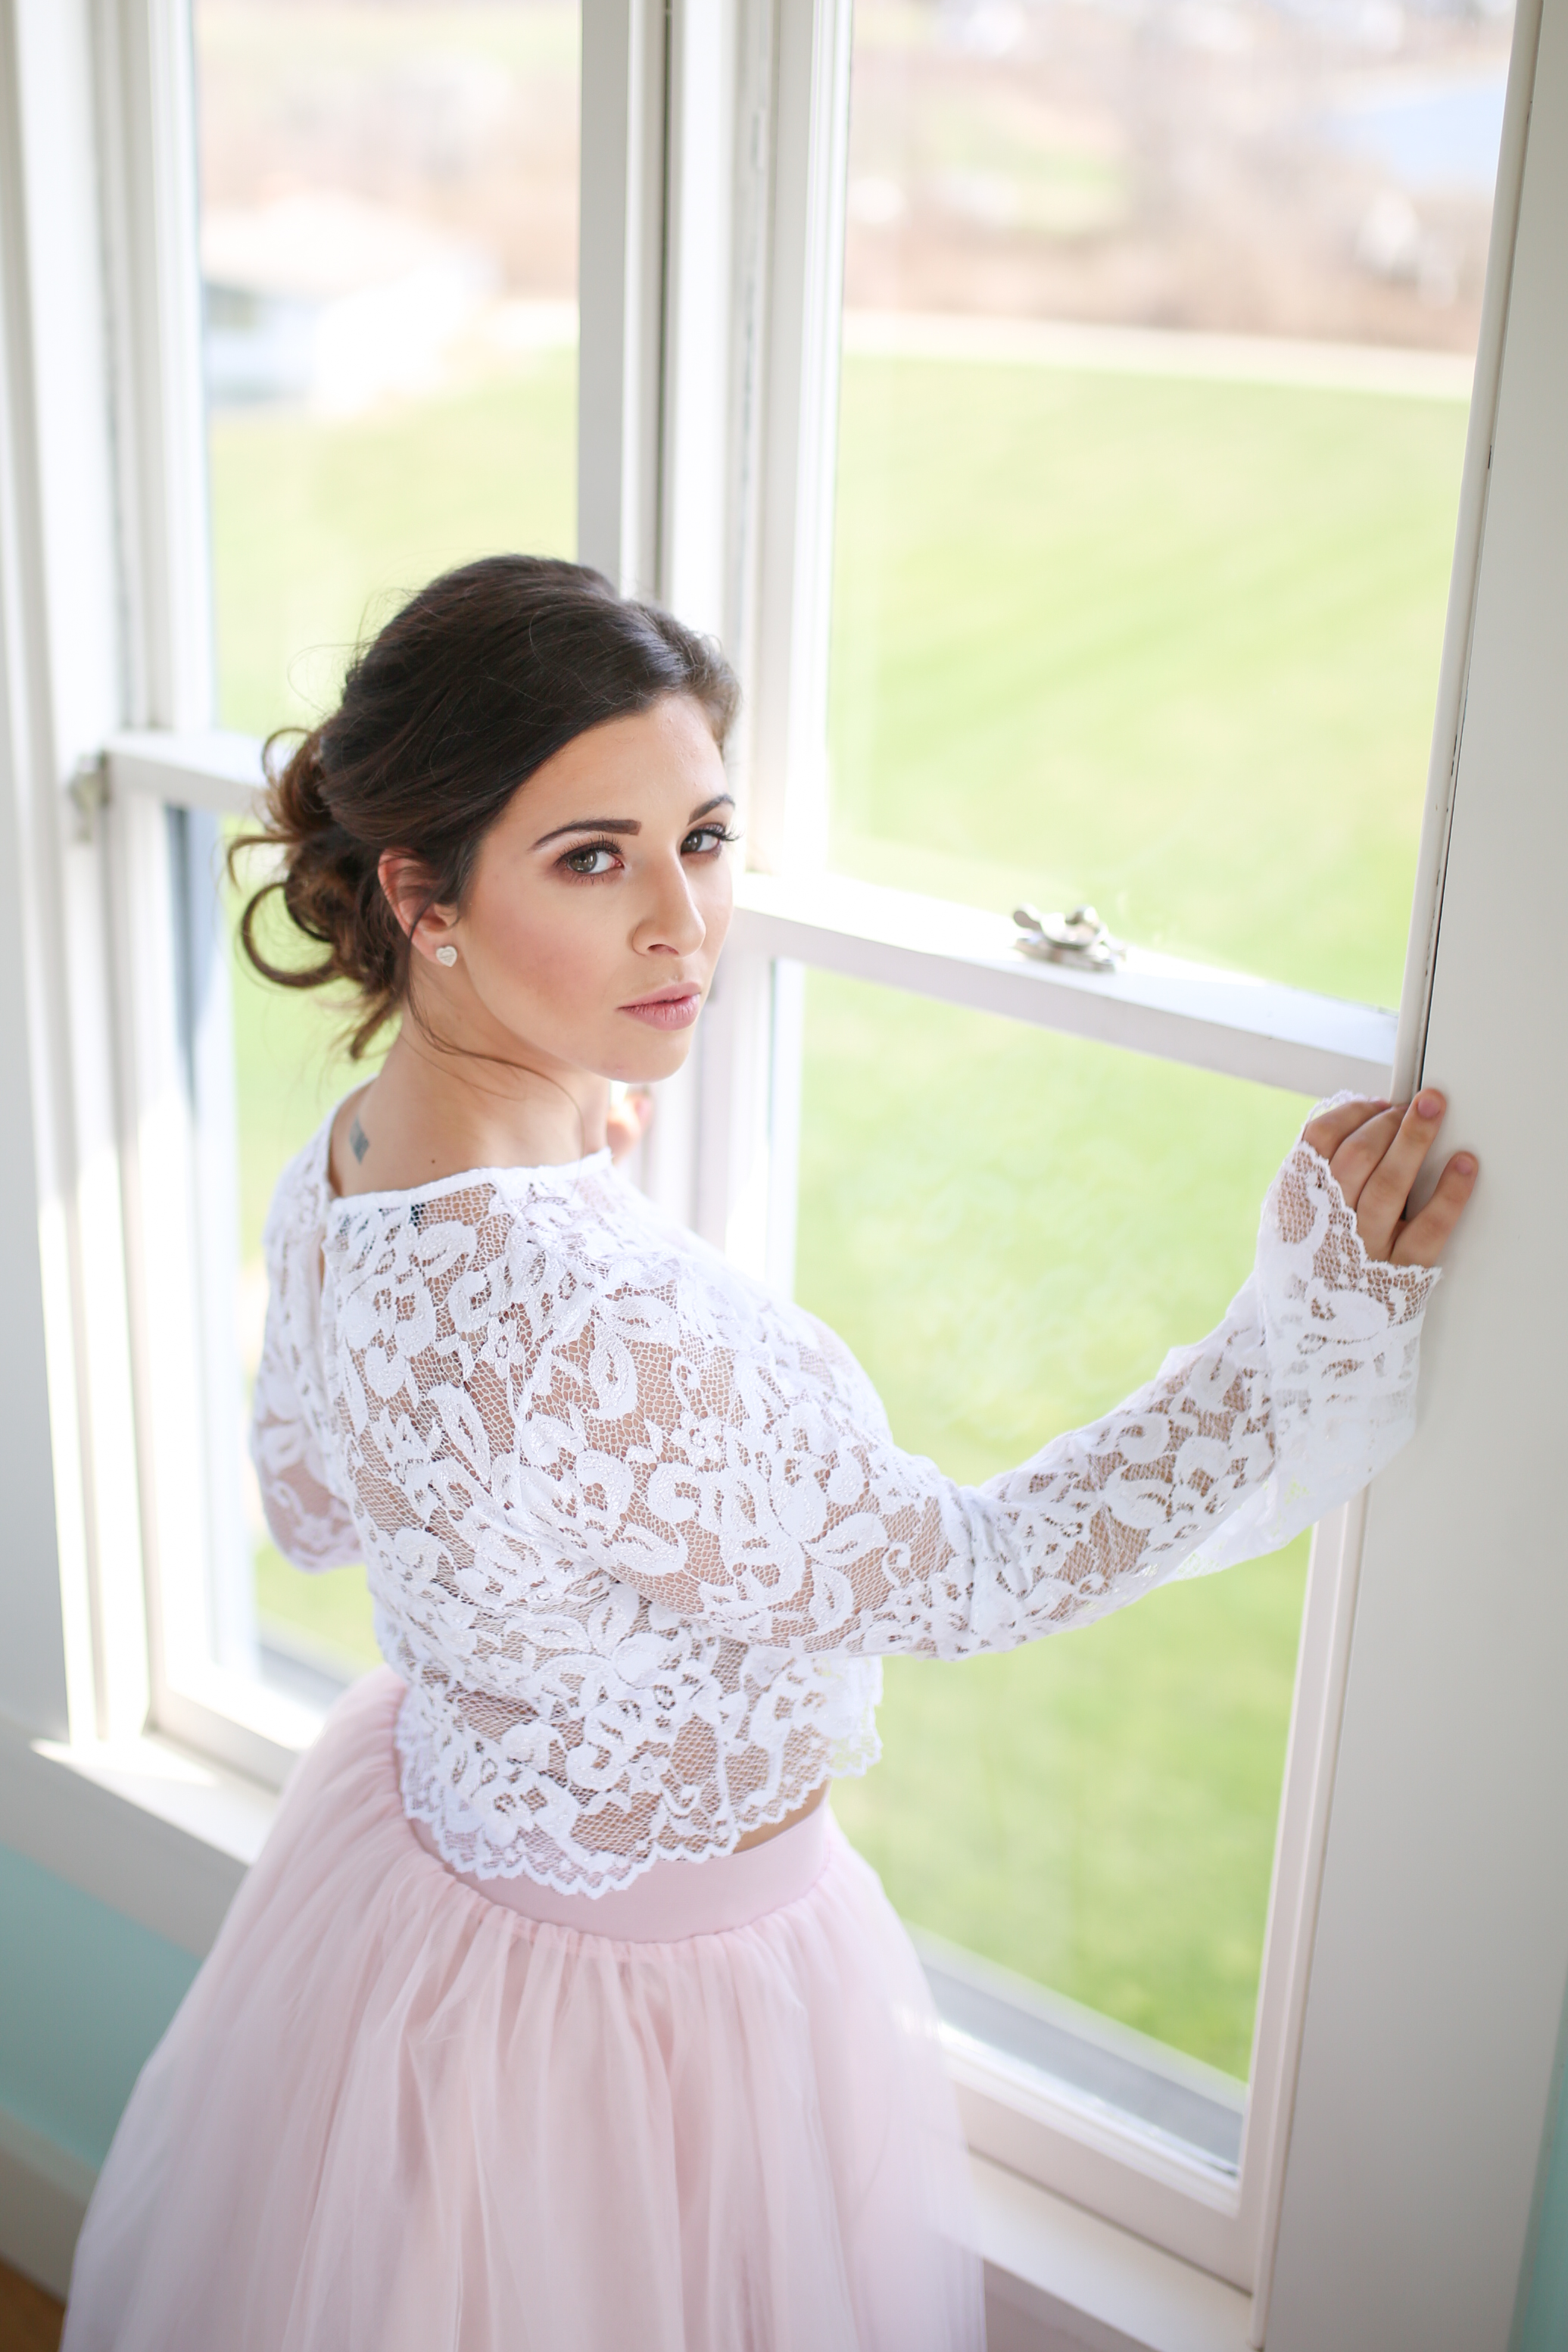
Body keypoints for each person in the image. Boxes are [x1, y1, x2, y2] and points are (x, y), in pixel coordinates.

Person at [61, 555, 1476, 2352]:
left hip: (415, 1908)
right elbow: (967, 1575)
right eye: (594, 858)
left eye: (706, 837)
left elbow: (312, 1502)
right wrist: (1293, 1343)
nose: (684, 922)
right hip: (646, 2020)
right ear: (422, 891)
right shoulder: (611, 1325)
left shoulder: (348, 1164)